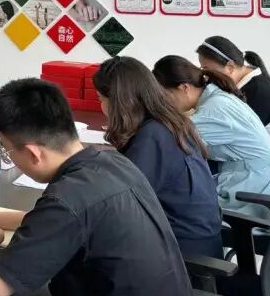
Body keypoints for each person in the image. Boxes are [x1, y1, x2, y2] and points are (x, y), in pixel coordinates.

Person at [0, 78, 196, 296]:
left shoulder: (66, 200)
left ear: (34, 153)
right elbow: (65, 222)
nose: (9, 156)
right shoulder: (112, 162)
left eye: (7, 150)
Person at [92, 57, 223, 258]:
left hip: (183, 255)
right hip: (198, 242)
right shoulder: (170, 123)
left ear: (119, 102)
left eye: (101, 99)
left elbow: (120, 203)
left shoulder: (153, 137)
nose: (101, 107)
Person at [153, 55, 270, 223]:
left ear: (184, 87)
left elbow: (170, 139)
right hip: (252, 180)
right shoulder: (217, 98)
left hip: (251, 190)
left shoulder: (215, 109)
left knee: (176, 211)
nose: (165, 103)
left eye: (166, 96)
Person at [196, 36, 270, 156]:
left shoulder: (257, 91)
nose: (206, 76)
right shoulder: (249, 81)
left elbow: (223, 133)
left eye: (207, 70)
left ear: (230, 67)